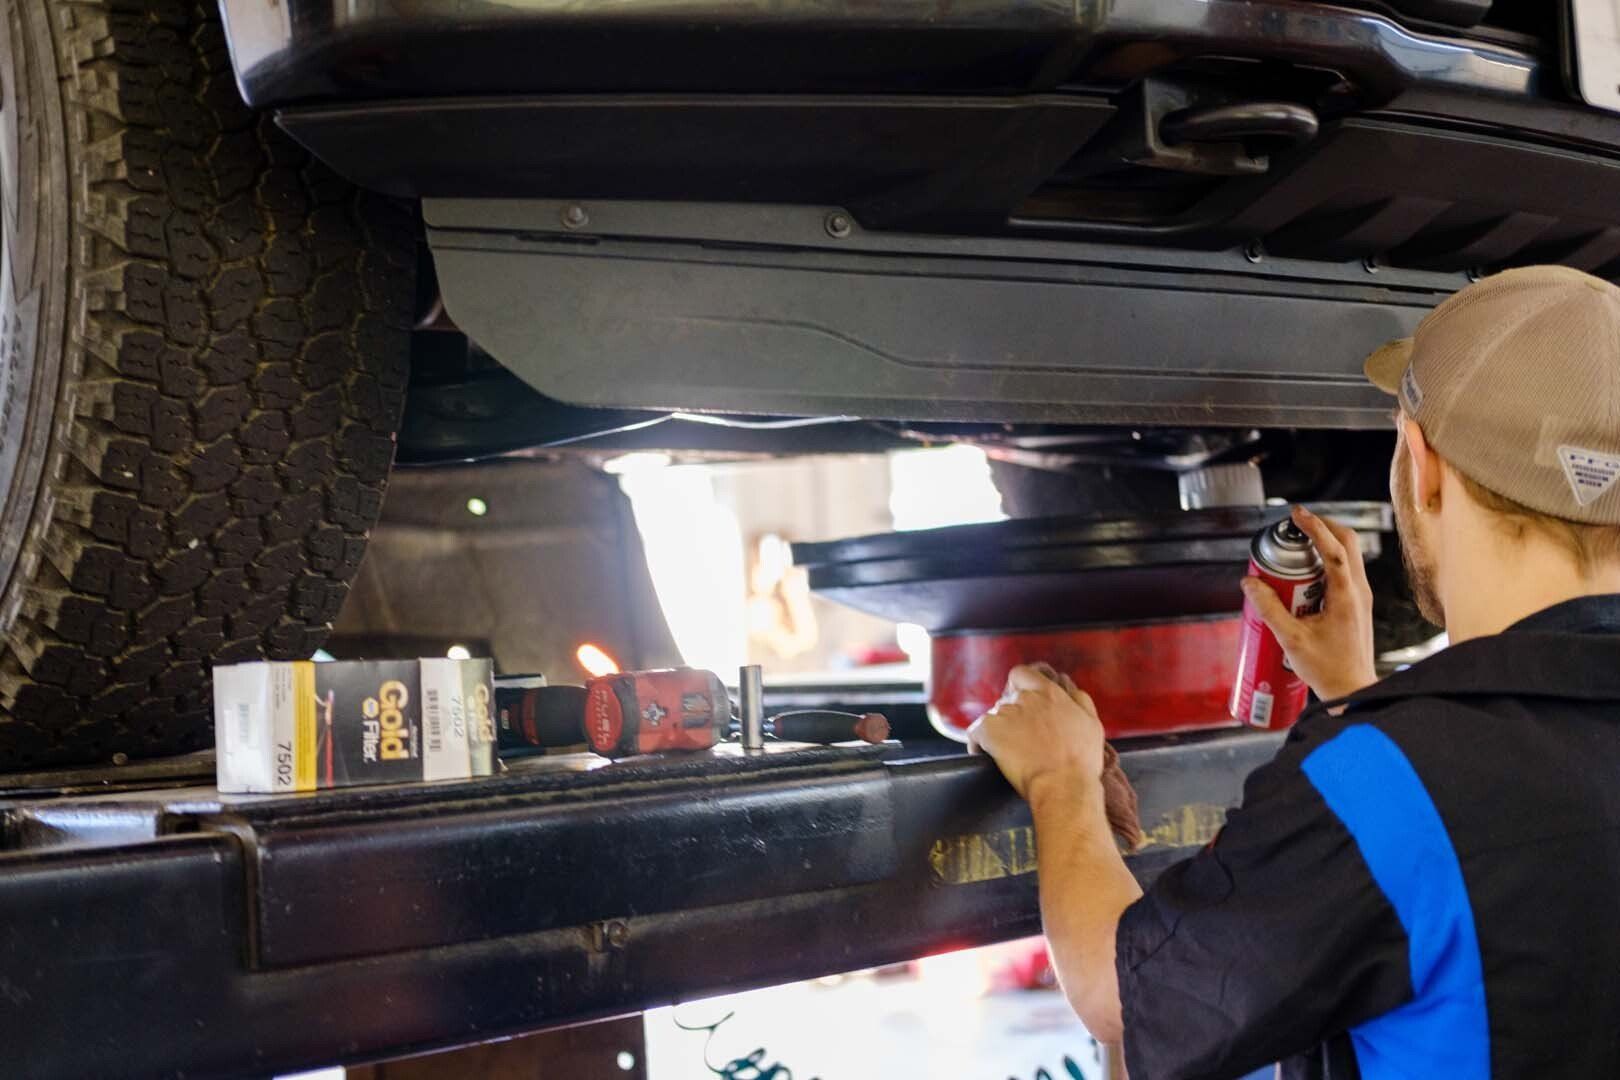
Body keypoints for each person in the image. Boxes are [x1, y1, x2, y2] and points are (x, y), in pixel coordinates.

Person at [969, 265, 1620, 1079]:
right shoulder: (1406, 771)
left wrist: (1059, 777)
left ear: (1420, 463)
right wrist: (1359, 697)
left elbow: (1117, 994)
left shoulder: (1391, 783)